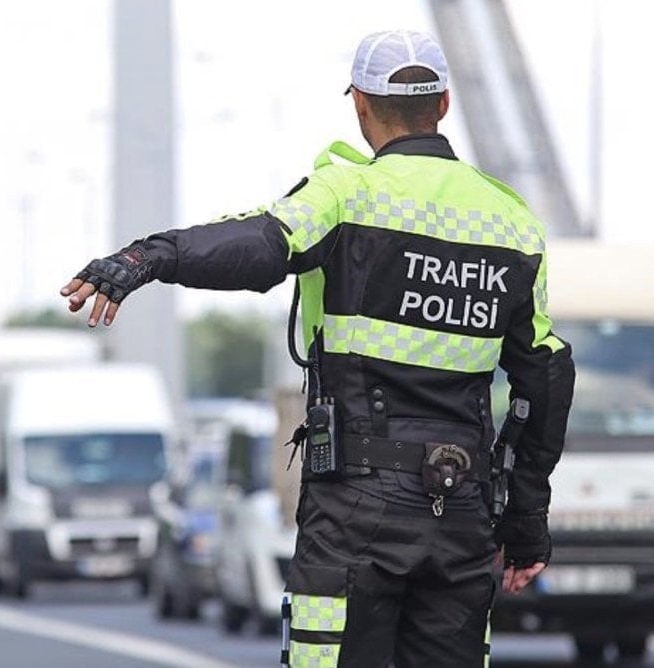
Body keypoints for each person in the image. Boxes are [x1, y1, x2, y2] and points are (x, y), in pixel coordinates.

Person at [60, 29, 575, 667]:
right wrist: (526, 521)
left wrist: (145, 258)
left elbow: (255, 246)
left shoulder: (345, 193)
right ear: (443, 104)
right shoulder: (512, 223)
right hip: (461, 511)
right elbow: (545, 378)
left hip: (356, 513)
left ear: (360, 103)